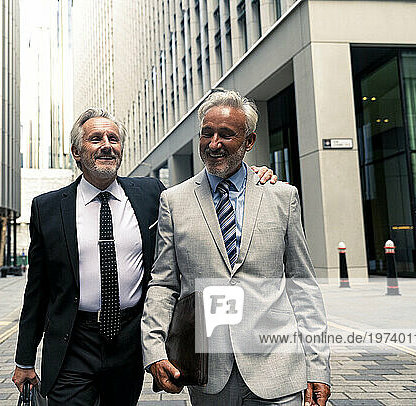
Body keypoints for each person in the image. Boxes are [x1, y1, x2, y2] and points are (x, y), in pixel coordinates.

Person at [12, 107, 277, 406]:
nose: (107, 145)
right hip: (73, 340)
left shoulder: (151, 194)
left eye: (113, 138)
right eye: (96, 138)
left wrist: (248, 176)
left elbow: (202, 194)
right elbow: (37, 290)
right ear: (76, 151)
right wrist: (24, 359)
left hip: (129, 341)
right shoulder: (48, 208)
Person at [141, 90, 331, 406]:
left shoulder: (282, 197)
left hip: (279, 366)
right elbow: (163, 284)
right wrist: (154, 349)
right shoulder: (173, 202)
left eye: (226, 134)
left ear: (249, 141)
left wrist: (318, 366)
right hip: (209, 373)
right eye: (206, 134)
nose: (214, 144)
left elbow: (303, 287)